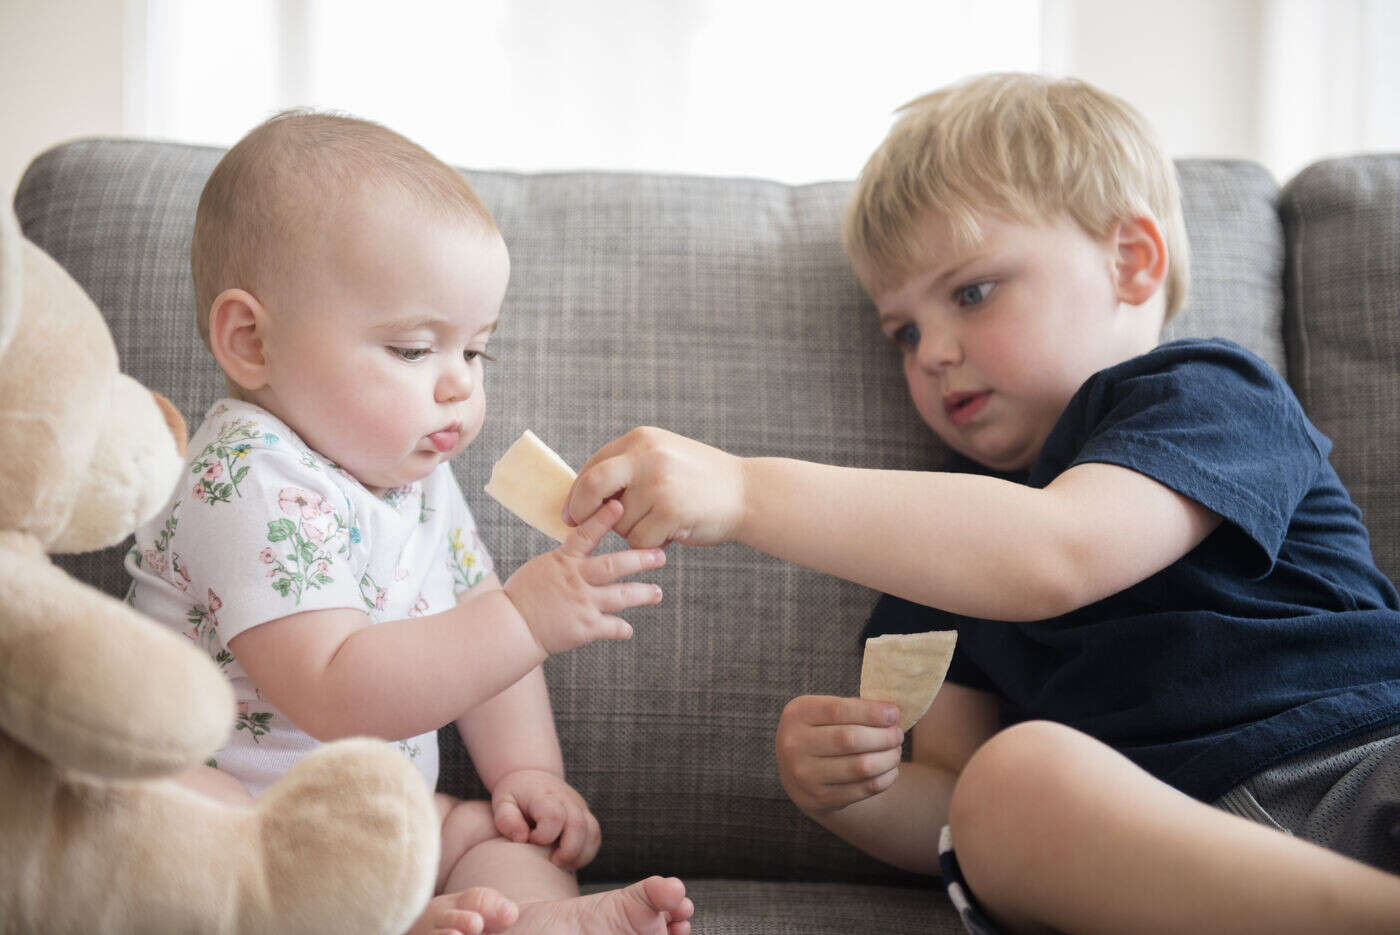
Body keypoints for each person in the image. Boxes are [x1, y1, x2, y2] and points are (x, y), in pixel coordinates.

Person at [560, 74, 1400, 934]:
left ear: (1131, 261)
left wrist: (743, 489)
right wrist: (859, 793)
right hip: (1159, 868)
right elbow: (951, 807)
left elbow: (1055, 552)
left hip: (1355, 763)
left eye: (970, 292)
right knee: (1003, 788)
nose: (932, 354)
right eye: (905, 332)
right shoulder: (930, 549)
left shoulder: (1205, 393)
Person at [126, 110, 693, 935]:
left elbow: (474, 610)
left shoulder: (417, 476)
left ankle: (534, 920)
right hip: (248, 822)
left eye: (475, 352)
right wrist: (523, 619)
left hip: (376, 820)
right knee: (166, 819)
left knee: (489, 836)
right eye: (412, 349)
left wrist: (528, 773)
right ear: (250, 340)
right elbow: (335, 687)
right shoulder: (244, 472)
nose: (460, 385)